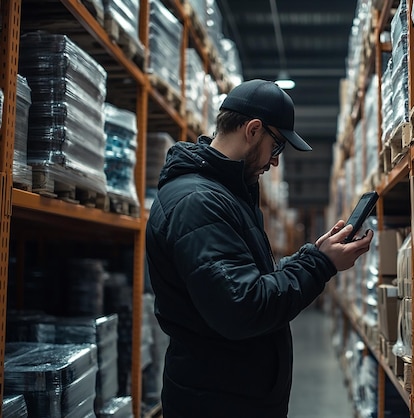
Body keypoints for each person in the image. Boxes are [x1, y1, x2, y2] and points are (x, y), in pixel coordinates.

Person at [145, 79, 374, 417]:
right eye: (277, 146)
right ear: (252, 130)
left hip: (231, 395)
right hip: (218, 403)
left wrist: (315, 253)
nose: (276, 162)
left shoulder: (227, 195)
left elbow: (248, 279)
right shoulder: (198, 203)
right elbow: (242, 306)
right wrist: (320, 265)